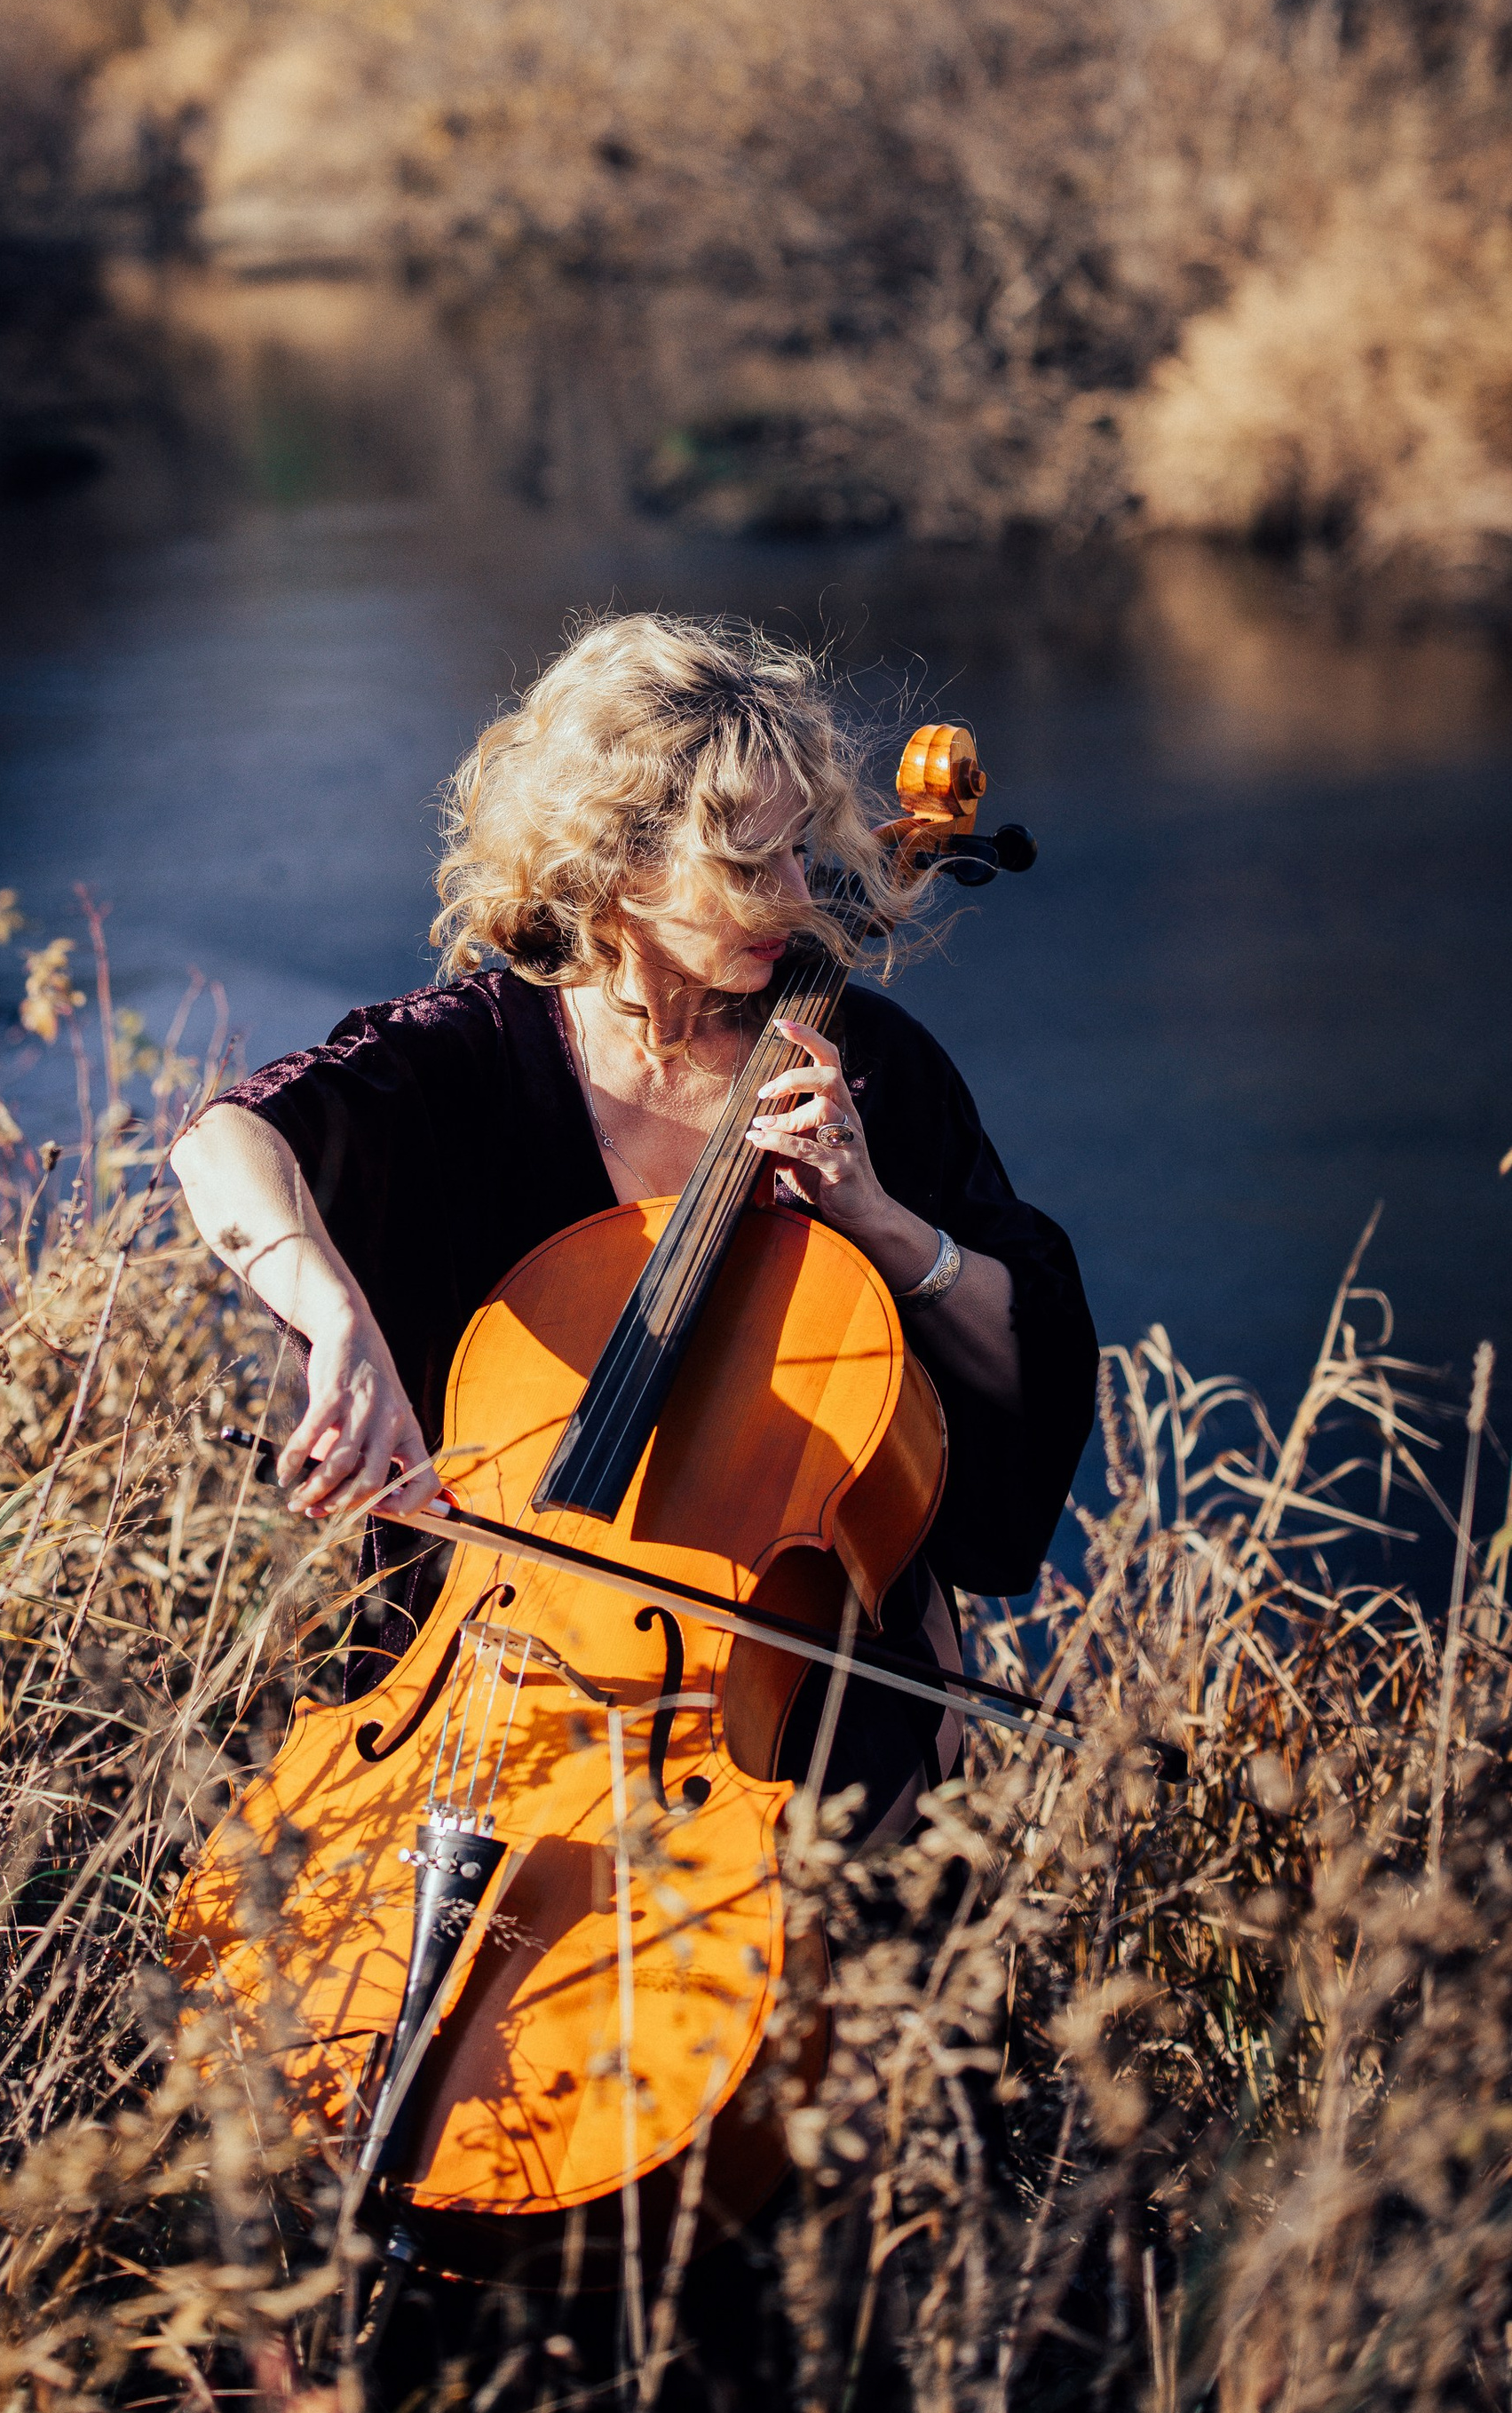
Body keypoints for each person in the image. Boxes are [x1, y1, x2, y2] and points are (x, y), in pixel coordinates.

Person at [170, 611, 1096, 1835]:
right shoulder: (470, 1059)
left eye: (803, 855)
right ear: (615, 869)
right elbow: (224, 1141)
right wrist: (335, 1317)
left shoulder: (863, 1071)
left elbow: (1031, 1355)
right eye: (749, 868)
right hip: (496, 1699)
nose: (800, 896)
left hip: (792, 1725)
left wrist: (871, 1217)